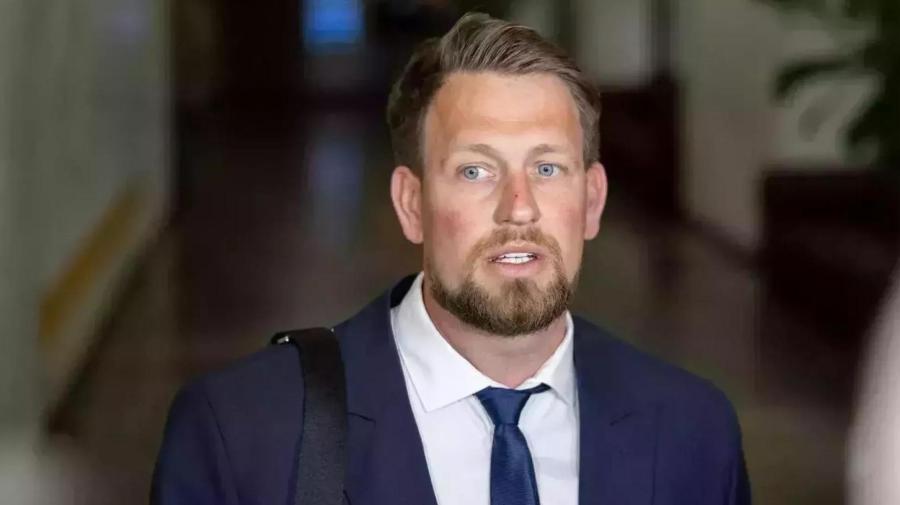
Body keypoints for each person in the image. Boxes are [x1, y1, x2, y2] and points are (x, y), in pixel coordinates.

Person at [151, 12, 750, 505]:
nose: (519, 207)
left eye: (547, 168)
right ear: (411, 203)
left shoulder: (694, 433)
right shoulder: (238, 433)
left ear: (591, 201)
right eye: (475, 171)